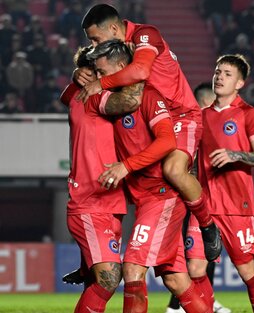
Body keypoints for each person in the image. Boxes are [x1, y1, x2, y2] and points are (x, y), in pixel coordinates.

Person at [75, 3, 221, 261]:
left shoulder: (146, 34)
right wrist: (80, 73)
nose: (95, 45)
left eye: (96, 39)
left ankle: (207, 225)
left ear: (113, 28)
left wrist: (101, 83)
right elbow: (91, 66)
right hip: (150, 117)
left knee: (173, 171)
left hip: (180, 114)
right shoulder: (116, 51)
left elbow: (141, 70)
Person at [87, 39, 211, 313]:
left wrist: (126, 166)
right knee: (176, 279)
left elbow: (167, 141)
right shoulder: (113, 101)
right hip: (145, 199)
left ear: (121, 67)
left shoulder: (149, 96)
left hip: (162, 196)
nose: (99, 78)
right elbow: (73, 96)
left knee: (132, 268)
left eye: (102, 71)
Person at [59, 45, 143, 313]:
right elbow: (131, 101)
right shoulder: (92, 98)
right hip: (91, 203)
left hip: (109, 203)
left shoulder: (79, 94)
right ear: (91, 74)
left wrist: (78, 78)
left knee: (97, 281)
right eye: (103, 71)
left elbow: (66, 97)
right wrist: (141, 71)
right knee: (109, 278)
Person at [185, 54, 254, 313]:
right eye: (218, 72)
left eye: (227, 74)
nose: (219, 77)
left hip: (236, 205)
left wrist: (236, 155)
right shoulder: (199, 117)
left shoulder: (250, 115)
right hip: (204, 206)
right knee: (195, 268)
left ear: (240, 83)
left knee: (246, 271)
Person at [166, 82, 231, 313]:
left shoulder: (196, 125)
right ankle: (180, 305)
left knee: (203, 253)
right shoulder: (199, 124)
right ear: (206, 101)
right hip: (190, 199)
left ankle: (195, 303)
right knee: (194, 253)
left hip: (195, 197)